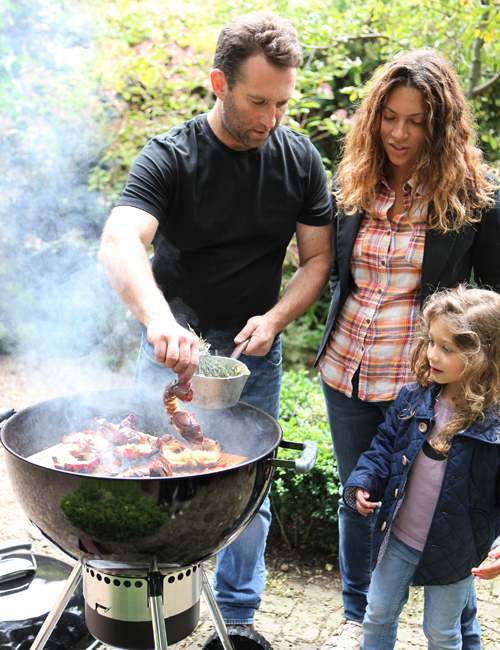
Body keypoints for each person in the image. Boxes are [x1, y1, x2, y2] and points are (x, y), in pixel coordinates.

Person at [98, 10, 332, 635]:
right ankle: (148, 609)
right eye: (257, 101)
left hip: (255, 358)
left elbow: (317, 259)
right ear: (219, 83)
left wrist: (278, 317)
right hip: (169, 356)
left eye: (282, 102)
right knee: (154, 476)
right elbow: (120, 240)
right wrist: (158, 319)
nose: (270, 119)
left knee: (249, 491)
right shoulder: (171, 155)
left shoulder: (300, 158)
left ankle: (240, 620)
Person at [315, 48, 500, 650]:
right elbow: (338, 275)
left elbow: (492, 306)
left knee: (452, 508)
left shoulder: (473, 197)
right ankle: (355, 615)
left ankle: (463, 628)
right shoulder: (354, 179)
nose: (399, 132)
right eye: (390, 116)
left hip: (425, 385)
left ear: (440, 125)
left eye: (417, 120)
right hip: (347, 369)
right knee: (359, 496)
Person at [343, 285, 500, 650]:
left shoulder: (494, 427)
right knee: (376, 615)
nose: (433, 354)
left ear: (483, 357)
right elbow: (383, 447)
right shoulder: (414, 399)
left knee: (442, 634)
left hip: (456, 551)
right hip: (398, 537)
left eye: (447, 348)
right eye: (431, 341)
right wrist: (364, 481)